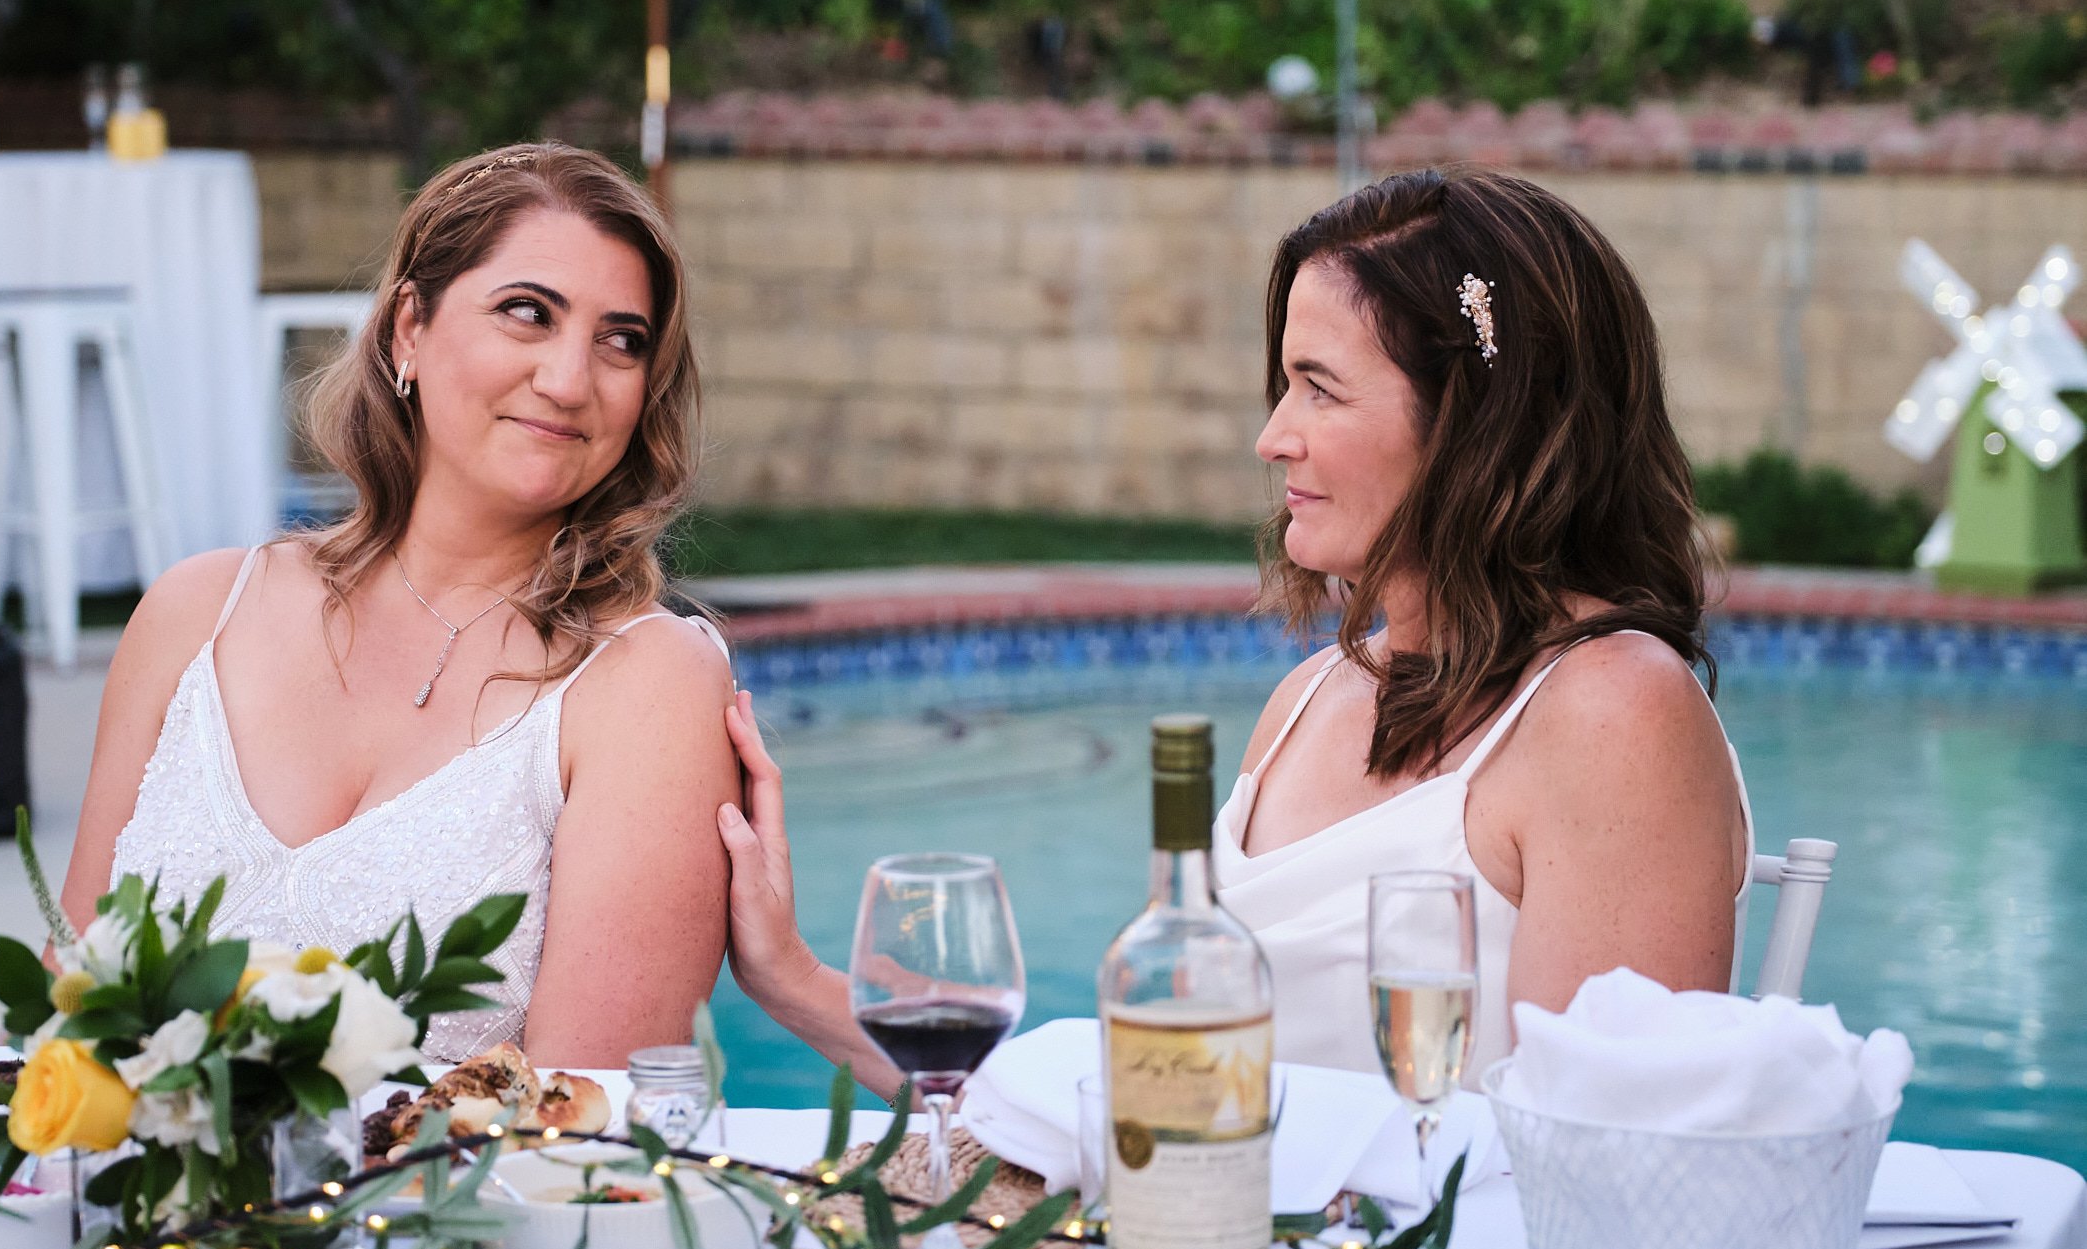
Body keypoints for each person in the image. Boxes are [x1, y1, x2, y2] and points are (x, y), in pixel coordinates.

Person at [719, 167, 1751, 1089]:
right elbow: (1163, 1110)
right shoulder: (1306, 703)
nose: (1271, 436)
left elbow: (1594, 1172)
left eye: (1318, 387)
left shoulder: (1613, 714)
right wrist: (790, 975)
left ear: (1479, 429)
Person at [58, 144, 739, 1067]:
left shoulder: (646, 684)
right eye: (527, 313)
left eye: (621, 340)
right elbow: (68, 1024)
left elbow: (587, 1134)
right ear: (408, 328)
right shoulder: (195, 614)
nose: (572, 380)